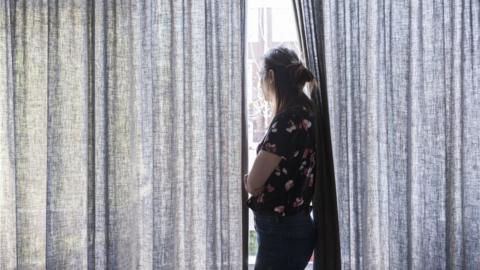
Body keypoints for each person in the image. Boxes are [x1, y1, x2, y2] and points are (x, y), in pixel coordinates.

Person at [244, 46, 318, 270]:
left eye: (261, 77)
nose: (260, 83)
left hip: (280, 231)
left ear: (271, 76)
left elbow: (254, 184)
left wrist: (248, 180)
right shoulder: (308, 112)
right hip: (299, 225)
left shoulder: (286, 120)